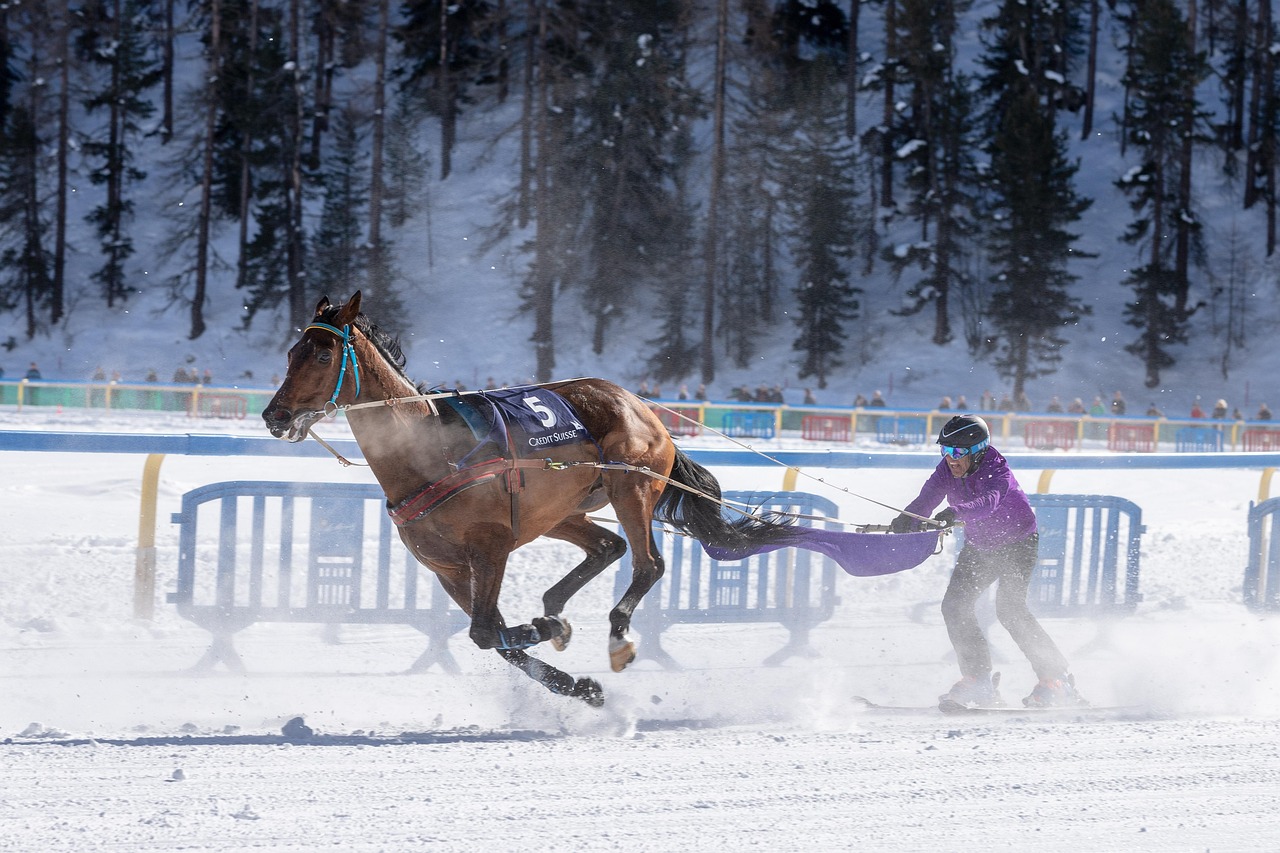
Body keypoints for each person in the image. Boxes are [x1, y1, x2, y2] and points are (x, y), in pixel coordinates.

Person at [890, 415, 1084, 709]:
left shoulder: (997, 470)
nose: (950, 459)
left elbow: (988, 503)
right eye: (945, 451)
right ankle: (979, 681)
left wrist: (956, 512)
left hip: (1018, 544)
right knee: (954, 606)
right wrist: (908, 518)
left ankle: (1057, 681)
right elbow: (927, 498)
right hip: (981, 547)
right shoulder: (948, 469)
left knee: (1010, 611)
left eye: (957, 452)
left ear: (978, 450)